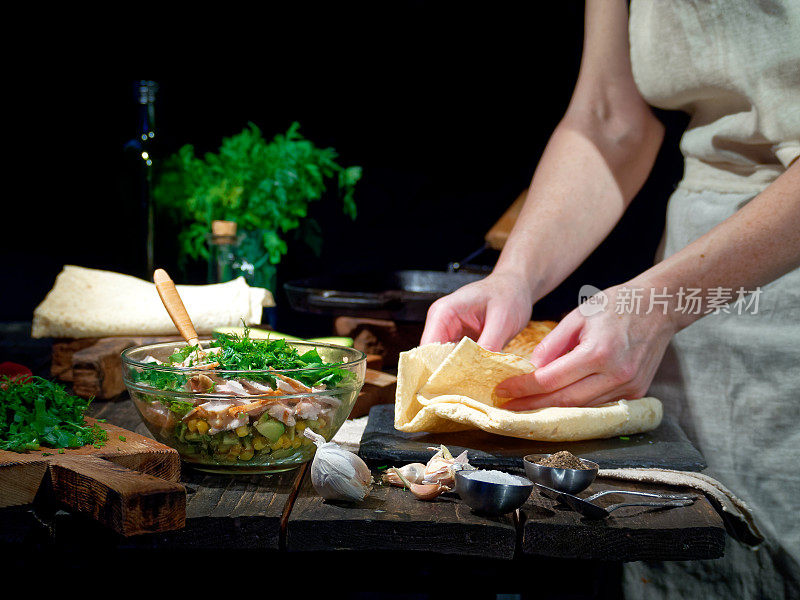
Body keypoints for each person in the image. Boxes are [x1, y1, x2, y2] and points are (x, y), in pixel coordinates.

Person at [421, 1, 800, 598]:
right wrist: (514, 278)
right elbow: (607, 118)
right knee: (686, 554)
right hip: (687, 284)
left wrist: (663, 302)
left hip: (772, 278)